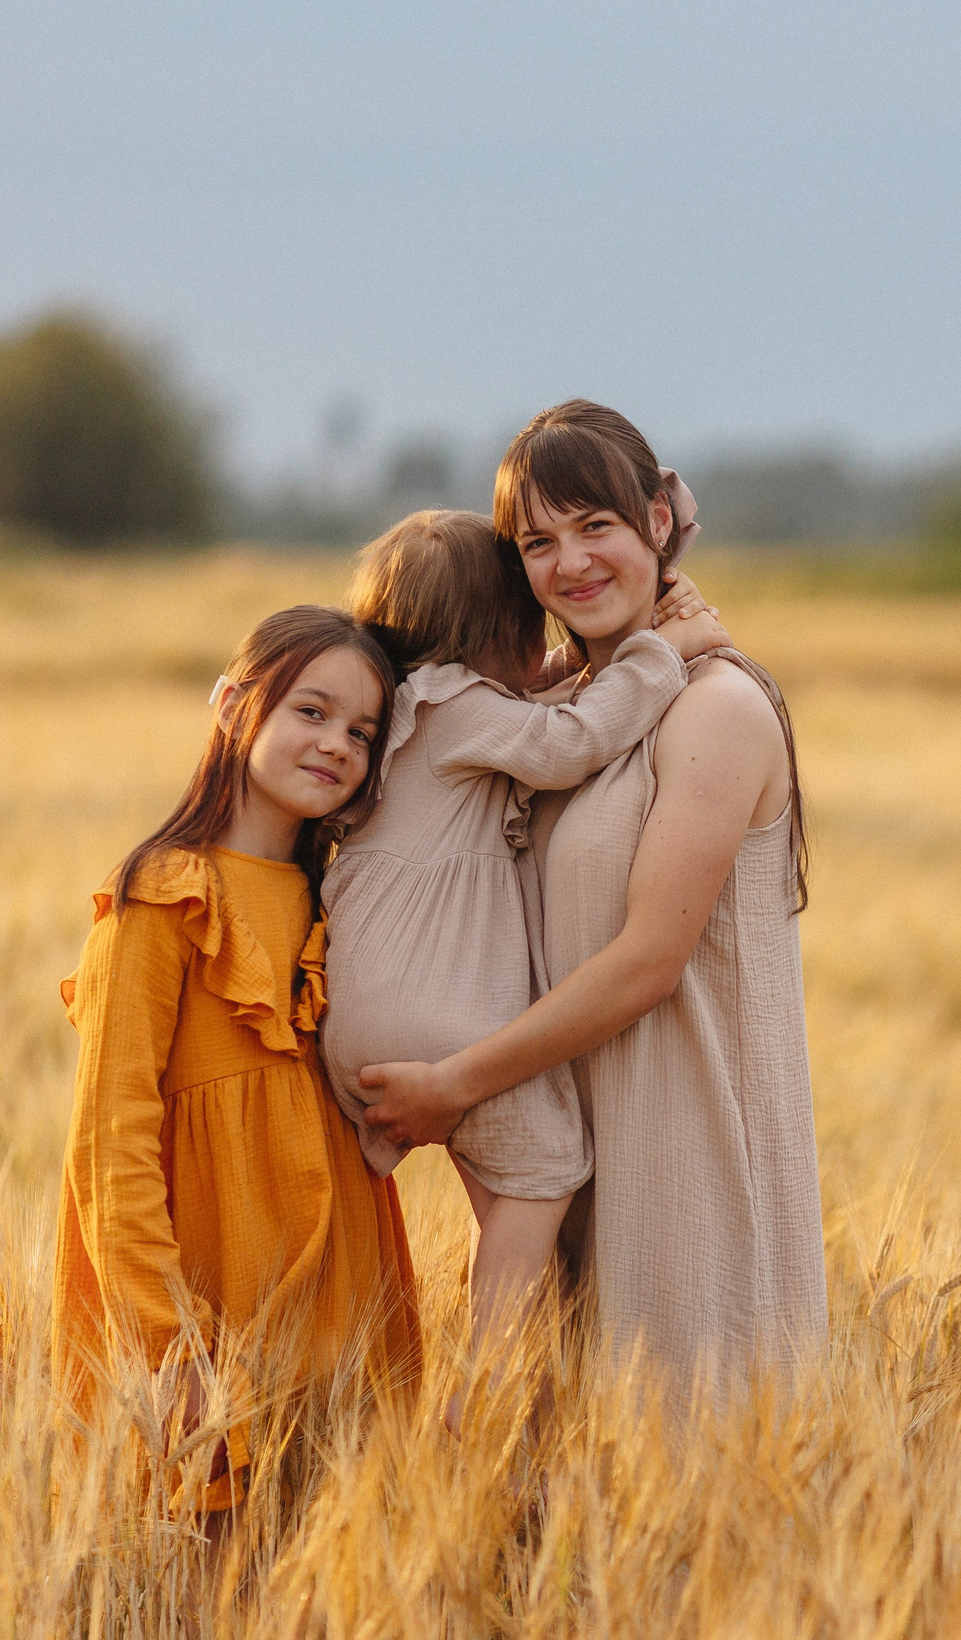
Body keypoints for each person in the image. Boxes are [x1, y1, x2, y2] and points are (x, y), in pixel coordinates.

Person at [358, 400, 823, 1396]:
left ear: (657, 520)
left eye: (595, 525)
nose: (569, 562)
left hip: (684, 1162)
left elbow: (650, 962)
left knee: (695, 1483)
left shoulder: (716, 707)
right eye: (537, 541)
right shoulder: (571, 708)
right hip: (579, 1165)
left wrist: (456, 1086)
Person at [320, 507, 728, 1373]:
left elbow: (537, 691)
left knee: (509, 1198)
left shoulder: (405, 711)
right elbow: (571, 736)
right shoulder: (465, 710)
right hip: (440, 1017)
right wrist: (663, 653)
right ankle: (490, 1384)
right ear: (497, 629)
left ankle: (533, 1396)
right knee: (548, 1167)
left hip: (363, 1016)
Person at [51, 606, 423, 1513]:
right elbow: (111, 1145)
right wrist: (166, 1342)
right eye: (311, 711)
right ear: (232, 705)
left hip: (342, 1321)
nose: (336, 742)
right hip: (213, 1336)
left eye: (362, 732)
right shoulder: (163, 904)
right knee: (209, 1618)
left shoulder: (346, 900)